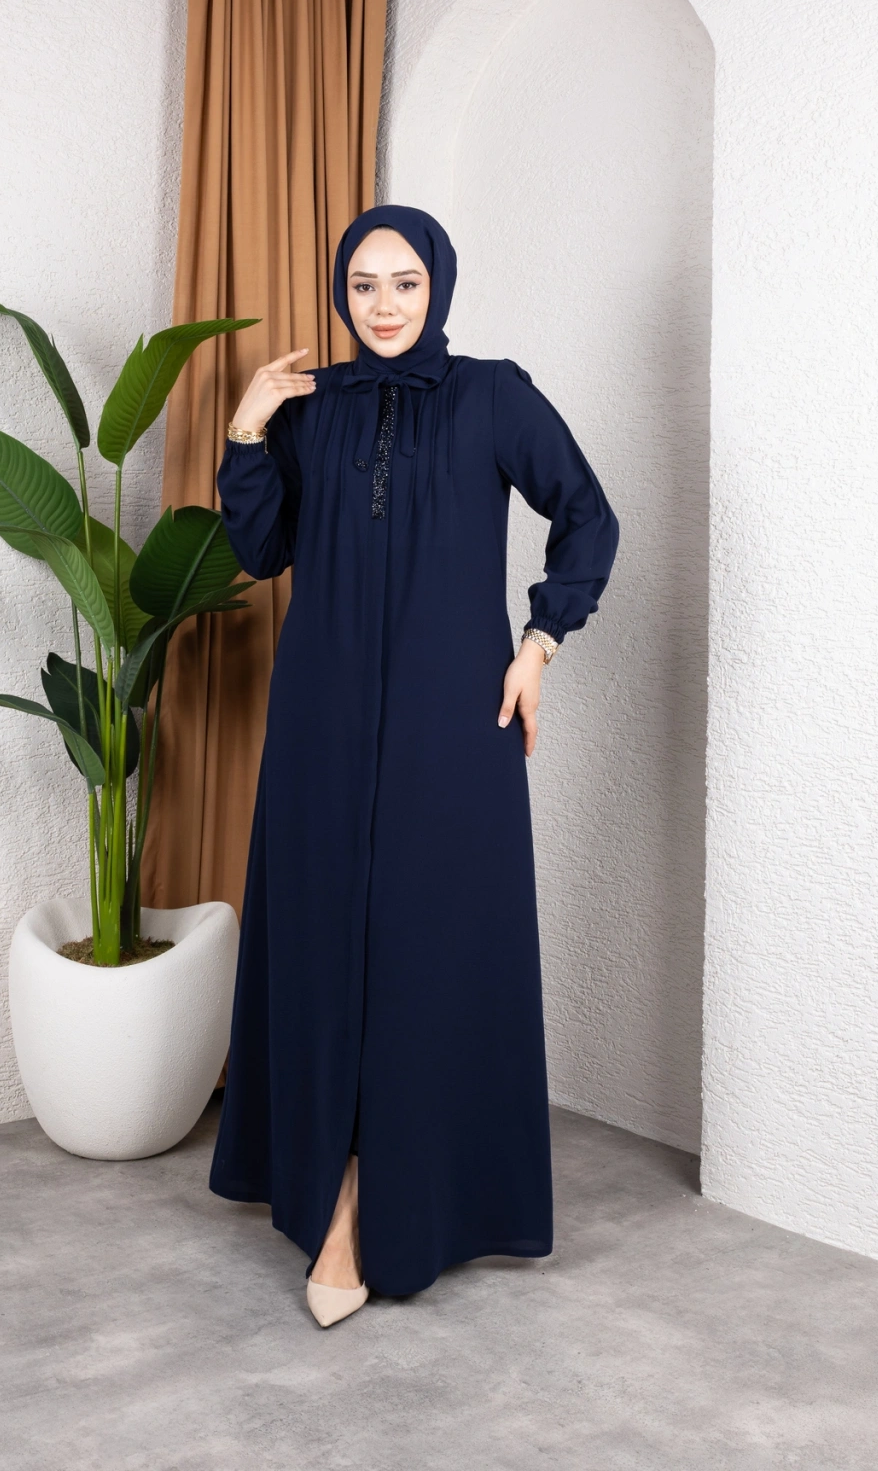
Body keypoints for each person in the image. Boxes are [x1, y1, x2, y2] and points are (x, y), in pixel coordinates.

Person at [210, 205, 619, 1327]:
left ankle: (389, 1204)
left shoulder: (492, 395)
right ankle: (332, 1187)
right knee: (326, 933)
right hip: (322, 710)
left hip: (453, 715)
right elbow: (261, 550)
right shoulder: (313, 407)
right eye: (362, 285)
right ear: (342, 294)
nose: (382, 305)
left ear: (436, 286)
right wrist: (248, 432)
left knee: (430, 945)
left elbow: (586, 515)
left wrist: (540, 642)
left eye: (403, 283)